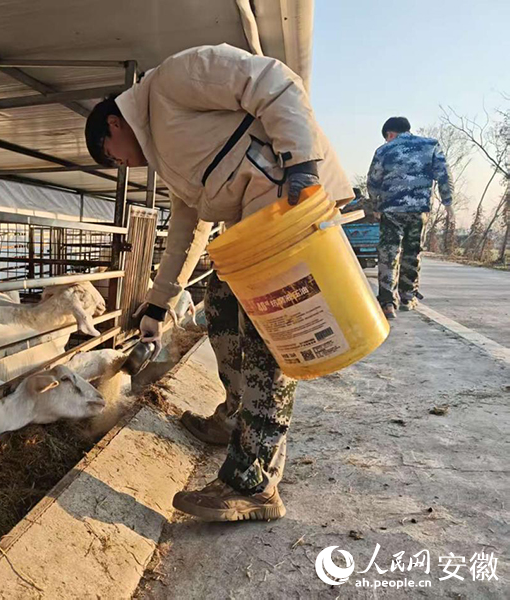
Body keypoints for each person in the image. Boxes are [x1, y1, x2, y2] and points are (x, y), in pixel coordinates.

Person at [84, 44, 352, 522]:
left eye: (112, 156)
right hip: (255, 224)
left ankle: (254, 482)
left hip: (290, 203)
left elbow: (274, 81)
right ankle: (234, 416)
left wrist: (301, 163)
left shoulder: (173, 81)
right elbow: (186, 232)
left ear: (114, 124)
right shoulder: (169, 159)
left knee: (266, 338)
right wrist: (157, 305)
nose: (122, 165)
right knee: (221, 303)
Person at [367, 117, 455, 319]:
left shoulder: (383, 150)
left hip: (391, 210)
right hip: (419, 209)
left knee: (389, 254)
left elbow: (373, 181)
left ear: (390, 134)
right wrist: (448, 203)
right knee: (412, 251)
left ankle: (388, 303)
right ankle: (407, 298)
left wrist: (376, 206)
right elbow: (444, 175)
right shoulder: (431, 145)